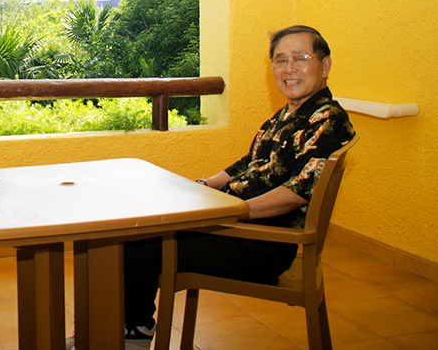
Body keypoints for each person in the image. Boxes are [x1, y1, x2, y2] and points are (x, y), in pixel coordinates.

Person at [67, 25, 355, 350]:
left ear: (325, 65)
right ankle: (101, 331)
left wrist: (226, 212)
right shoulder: (288, 115)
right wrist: (202, 186)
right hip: (235, 226)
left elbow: (295, 194)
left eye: (300, 58)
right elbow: (247, 164)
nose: (289, 69)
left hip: (261, 243)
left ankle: (132, 332)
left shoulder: (327, 121)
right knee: (123, 229)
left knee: (134, 243)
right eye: (280, 60)